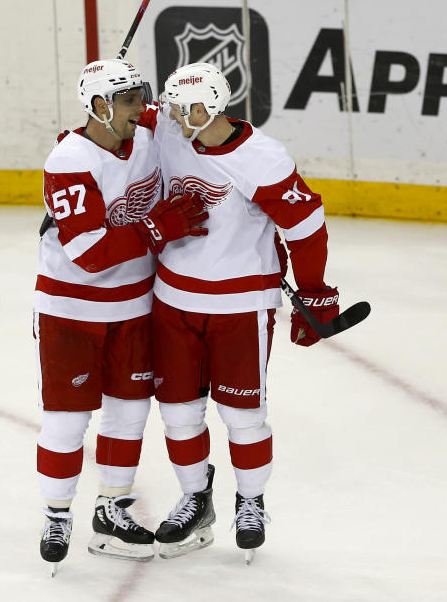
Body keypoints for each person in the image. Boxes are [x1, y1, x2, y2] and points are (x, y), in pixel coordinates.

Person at [148, 62, 340, 561]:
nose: (167, 112)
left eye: (178, 105)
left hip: (240, 306)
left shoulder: (262, 158)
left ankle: (251, 501)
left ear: (205, 108)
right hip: (172, 302)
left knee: (243, 415)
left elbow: (305, 227)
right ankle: (195, 497)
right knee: (178, 414)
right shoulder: (168, 130)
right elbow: (118, 127)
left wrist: (315, 292)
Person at [34, 57, 208, 570]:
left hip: (134, 305)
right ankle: (57, 513)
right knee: (67, 420)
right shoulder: (68, 161)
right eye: (130, 99)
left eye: (140, 96)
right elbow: (88, 254)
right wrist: (158, 228)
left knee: (129, 413)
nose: (143, 107)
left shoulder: (146, 134)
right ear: (101, 106)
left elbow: (174, 116)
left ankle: (111, 509)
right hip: (71, 308)